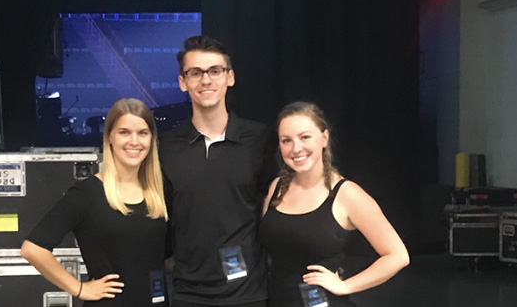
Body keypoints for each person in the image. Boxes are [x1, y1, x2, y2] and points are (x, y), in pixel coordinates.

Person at [159, 35, 275, 307]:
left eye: (215, 71)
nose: (206, 80)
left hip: (248, 293)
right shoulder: (165, 147)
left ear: (230, 77)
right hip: (188, 294)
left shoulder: (260, 140)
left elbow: (281, 209)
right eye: (195, 73)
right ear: (182, 82)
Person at [259, 101, 410, 307]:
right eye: (286, 140)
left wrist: (346, 286)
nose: (296, 148)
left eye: (305, 137)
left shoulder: (348, 195)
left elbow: (398, 255)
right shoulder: (277, 188)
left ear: (324, 138)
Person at [21, 98, 168, 307]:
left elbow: (163, 256)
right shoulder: (87, 193)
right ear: (109, 137)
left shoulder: (158, 193)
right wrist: (79, 288)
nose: (134, 141)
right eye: (124, 132)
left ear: (152, 139)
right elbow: (32, 249)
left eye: (143, 133)